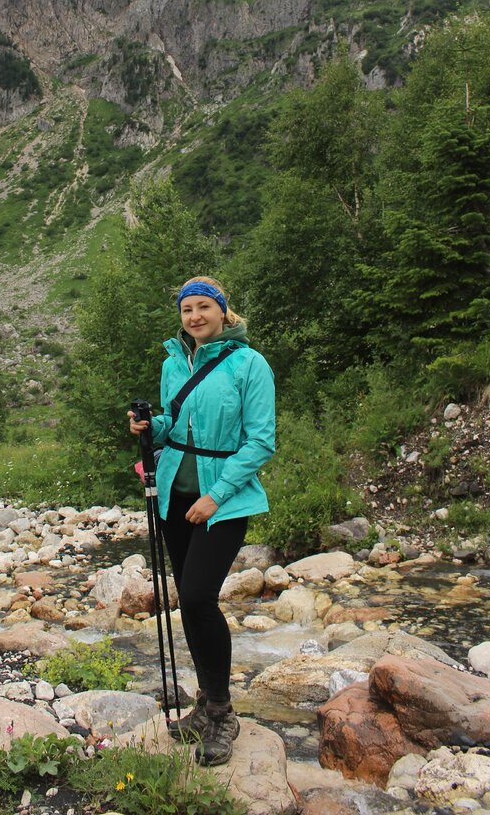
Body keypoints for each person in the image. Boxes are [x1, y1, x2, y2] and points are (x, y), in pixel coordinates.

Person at [129, 275, 275, 767]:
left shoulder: (250, 364)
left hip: (222, 503)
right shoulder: (175, 362)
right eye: (187, 309)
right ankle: (205, 704)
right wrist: (150, 427)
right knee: (189, 605)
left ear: (222, 311)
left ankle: (222, 714)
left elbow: (260, 441)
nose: (194, 316)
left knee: (197, 597)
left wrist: (215, 495)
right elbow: (175, 426)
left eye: (203, 307)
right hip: (174, 496)